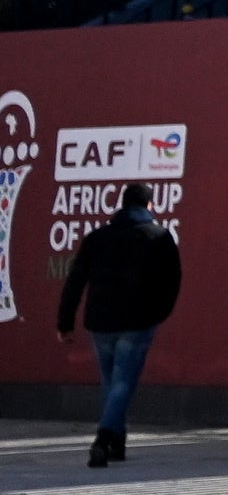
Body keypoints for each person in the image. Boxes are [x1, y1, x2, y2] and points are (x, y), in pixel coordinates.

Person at [56, 180, 182, 467]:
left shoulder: (97, 238)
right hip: (138, 321)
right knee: (123, 382)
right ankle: (103, 439)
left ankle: (117, 441)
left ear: (122, 204)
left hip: (101, 321)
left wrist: (65, 322)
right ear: (150, 205)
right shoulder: (159, 237)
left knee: (111, 381)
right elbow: (172, 281)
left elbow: (75, 282)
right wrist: (159, 314)